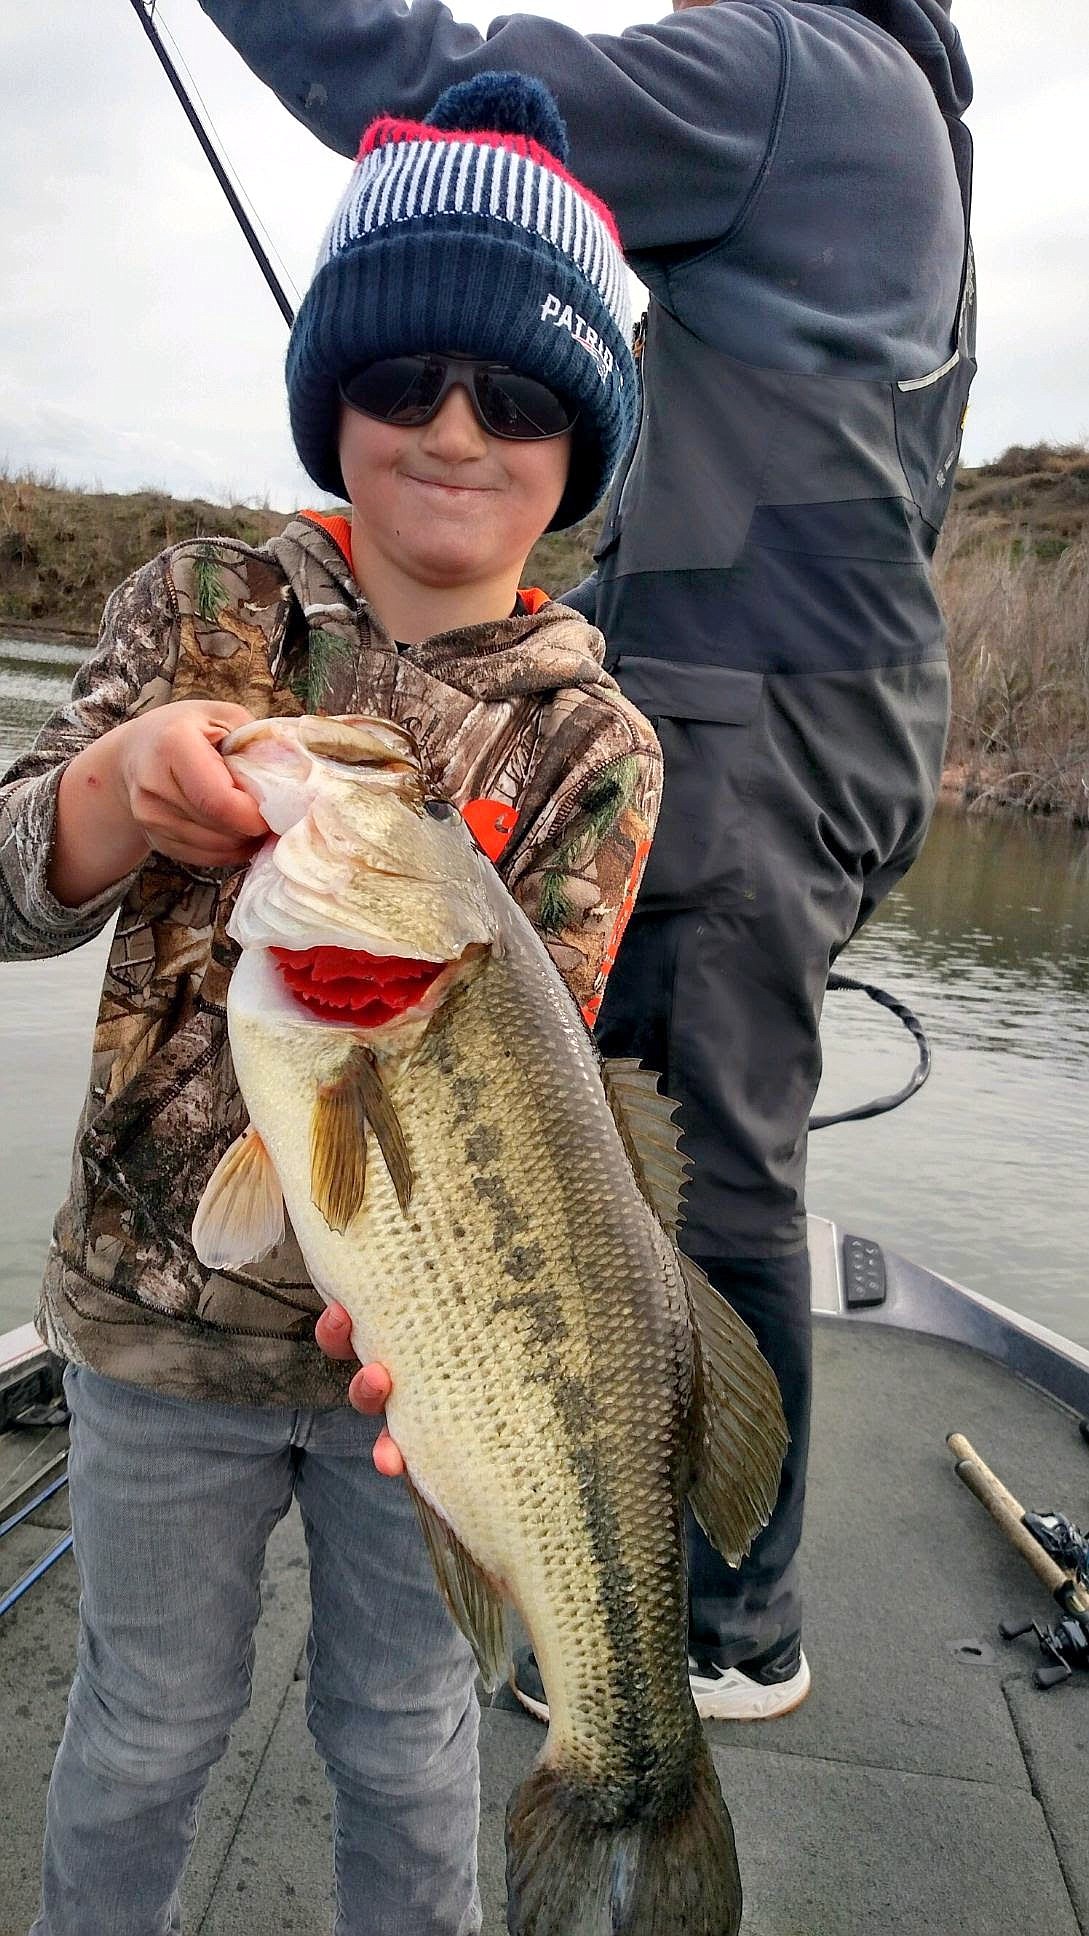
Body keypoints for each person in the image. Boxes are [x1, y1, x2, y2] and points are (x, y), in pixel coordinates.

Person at [203, 0, 977, 1721]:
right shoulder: (917, 115)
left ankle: (705, 1631)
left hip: (742, 725)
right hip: (823, 724)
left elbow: (446, 93)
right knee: (646, 1152)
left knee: (704, 1170)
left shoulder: (798, 68)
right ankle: (691, 1591)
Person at [2, 74, 662, 1936]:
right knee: (140, 1732)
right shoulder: (196, 606)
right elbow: (4, 887)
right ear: (333, 405)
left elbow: (532, 1084)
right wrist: (119, 792)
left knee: (404, 1728)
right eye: (401, 384)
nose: (454, 431)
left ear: (576, 449)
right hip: (147, 1337)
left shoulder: (592, 741)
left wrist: (417, 1285)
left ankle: (615, 1770)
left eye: (518, 400)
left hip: (441, 1375)